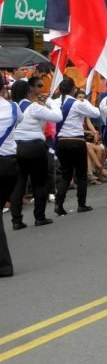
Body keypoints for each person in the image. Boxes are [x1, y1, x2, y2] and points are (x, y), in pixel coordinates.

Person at [10, 77, 61, 228]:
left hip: (16, 147)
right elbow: (58, 117)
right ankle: (39, 217)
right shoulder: (33, 107)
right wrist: (51, 102)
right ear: (28, 91)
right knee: (40, 182)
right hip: (35, 147)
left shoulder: (10, 108)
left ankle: (17, 220)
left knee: (19, 184)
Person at [50, 77, 100, 215]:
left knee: (66, 175)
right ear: (73, 89)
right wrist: (85, 101)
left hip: (61, 141)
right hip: (76, 141)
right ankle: (81, 204)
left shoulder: (54, 103)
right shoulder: (78, 103)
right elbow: (96, 113)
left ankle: (59, 204)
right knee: (81, 174)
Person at [0, 73, 22, 277]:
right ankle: (4, 265)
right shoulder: (13, 108)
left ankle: (4, 265)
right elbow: (20, 119)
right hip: (10, 165)